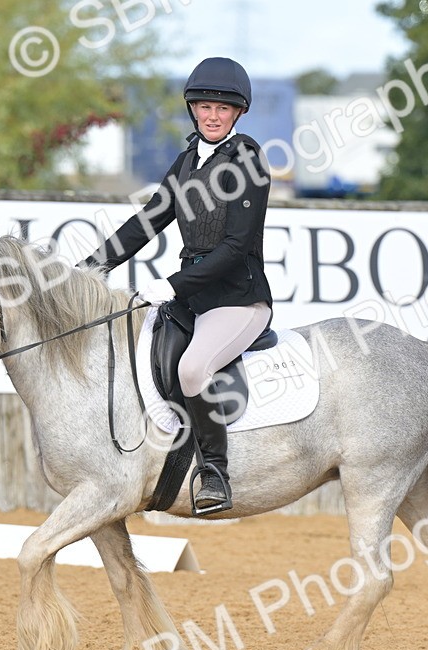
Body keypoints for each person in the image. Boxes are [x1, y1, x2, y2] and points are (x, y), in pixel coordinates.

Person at [77, 57, 273, 514]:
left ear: (238, 113)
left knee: (192, 369)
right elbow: (145, 222)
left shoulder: (247, 158)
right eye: (204, 106)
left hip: (238, 299)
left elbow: (237, 246)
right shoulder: (187, 162)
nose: (212, 115)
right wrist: (90, 267)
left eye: (222, 109)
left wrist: (173, 283)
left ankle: (214, 474)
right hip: (192, 300)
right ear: (192, 110)